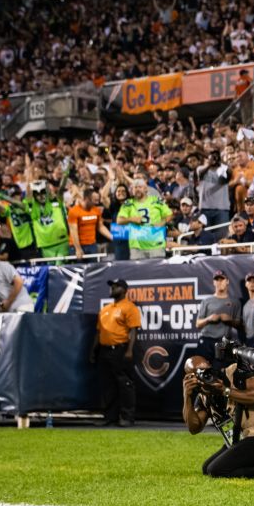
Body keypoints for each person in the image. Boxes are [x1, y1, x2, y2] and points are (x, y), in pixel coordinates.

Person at [182, 355, 254, 478]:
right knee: (207, 468)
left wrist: (225, 390)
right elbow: (194, 428)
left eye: (206, 369)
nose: (205, 375)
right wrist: (187, 396)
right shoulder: (203, 397)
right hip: (244, 438)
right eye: (198, 373)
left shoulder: (234, 372)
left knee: (216, 470)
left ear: (210, 365)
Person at [90, 279, 141, 427]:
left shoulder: (129, 307)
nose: (112, 288)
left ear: (125, 290)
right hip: (104, 351)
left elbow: (133, 330)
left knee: (125, 384)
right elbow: (98, 332)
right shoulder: (106, 309)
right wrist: (93, 350)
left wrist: (130, 350)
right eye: (112, 286)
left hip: (121, 349)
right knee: (108, 385)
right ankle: (110, 416)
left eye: (116, 286)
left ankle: (127, 417)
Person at [117, 177, 173, 259]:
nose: (137, 189)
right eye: (135, 188)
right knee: (138, 272)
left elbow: (169, 214)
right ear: (132, 191)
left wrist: (162, 222)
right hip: (137, 247)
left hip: (156, 244)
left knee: (157, 271)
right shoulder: (128, 203)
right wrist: (132, 219)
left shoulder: (156, 200)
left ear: (146, 189)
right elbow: (119, 220)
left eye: (140, 187)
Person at [194, 271, 240, 361]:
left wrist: (230, 320)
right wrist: (208, 319)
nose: (219, 282)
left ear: (227, 281)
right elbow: (198, 324)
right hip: (206, 340)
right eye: (217, 280)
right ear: (214, 282)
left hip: (223, 342)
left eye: (222, 279)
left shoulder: (235, 302)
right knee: (203, 370)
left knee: (222, 371)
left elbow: (239, 324)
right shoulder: (207, 301)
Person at [0, 247, 32, 312]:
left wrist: (8, 302)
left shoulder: (4, 266)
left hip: (21, 306)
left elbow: (19, 282)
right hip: (8, 310)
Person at [67, 189, 110, 261]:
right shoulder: (74, 211)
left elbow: (100, 226)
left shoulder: (96, 210)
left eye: (98, 200)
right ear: (87, 199)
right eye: (95, 200)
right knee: (79, 270)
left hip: (92, 245)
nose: (97, 202)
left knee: (94, 269)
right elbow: (73, 231)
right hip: (76, 246)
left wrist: (112, 237)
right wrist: (78, 249)